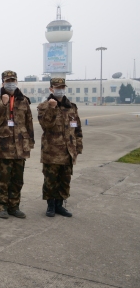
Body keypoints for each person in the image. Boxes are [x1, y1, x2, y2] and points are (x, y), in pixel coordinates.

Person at [0, 70, 34, 219]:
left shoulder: (24, 100)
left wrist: (30, 142)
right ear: (2, 83)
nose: (11, 83)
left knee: (17, 179)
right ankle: (2, 207)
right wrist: (4, 104)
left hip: (21, 146)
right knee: (3, 179)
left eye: (13, 80)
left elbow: (29, 122)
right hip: (4, 146)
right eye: (8, 81)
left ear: (17, 82)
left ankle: (14, 206)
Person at [37, 78, 83, 218]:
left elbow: (77, 129)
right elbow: (46, 125)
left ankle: (59, 205)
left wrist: (78, 147)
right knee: (51, 180)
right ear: (51, 89)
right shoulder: (44, 106)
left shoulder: (71, 107)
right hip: (52, 151)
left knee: (65, 179)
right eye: (57, 87)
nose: (60, 89)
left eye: (62, 87)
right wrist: (51, 108)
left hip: (68, 151)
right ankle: (50, 206)